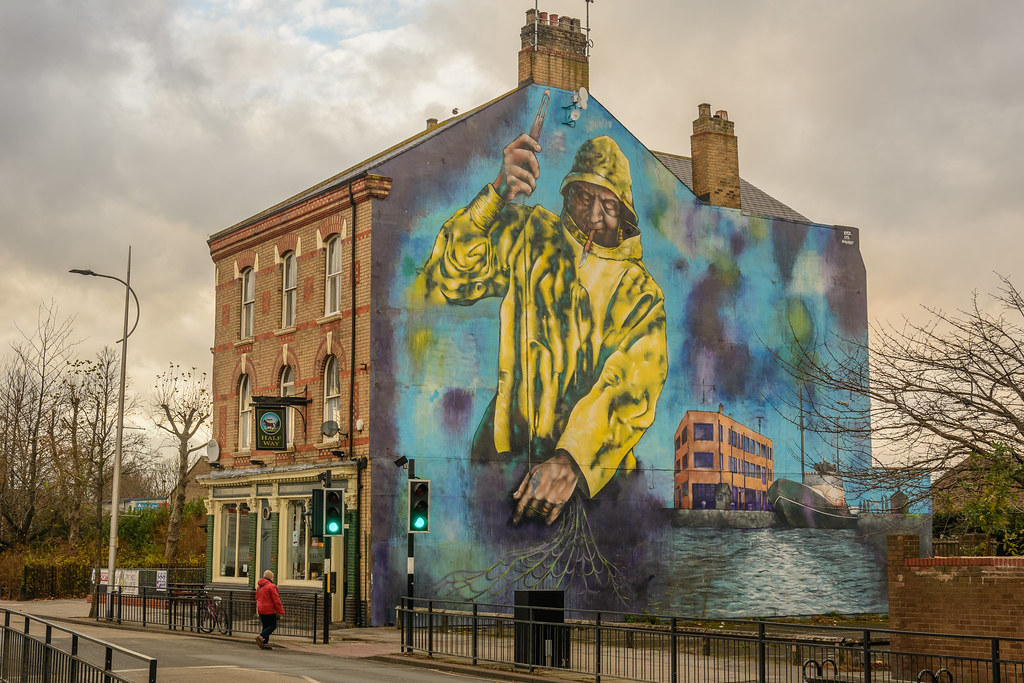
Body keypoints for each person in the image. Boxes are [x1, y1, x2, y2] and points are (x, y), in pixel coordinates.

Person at [417, 133, 668, 526]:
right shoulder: (529, 233)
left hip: (592, 484)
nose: (596, 215)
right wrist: (498, 193)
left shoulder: (640, 290)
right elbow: (449, 276)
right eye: (586, 196)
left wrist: (572, 457)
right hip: (503, 460)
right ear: (568, 194)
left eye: (609, 204)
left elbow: (633, 383)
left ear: (625, 215)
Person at [255, 569, 284, 649]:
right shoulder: (272, 586)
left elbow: (257, 597)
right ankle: (261, 637)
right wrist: (281, 610)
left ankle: (265, 643)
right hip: (269, 609)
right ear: (271, 577)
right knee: (273, 625)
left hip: (261, 609)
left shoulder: (259, 587)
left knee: (265, 626)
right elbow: (276, 599)